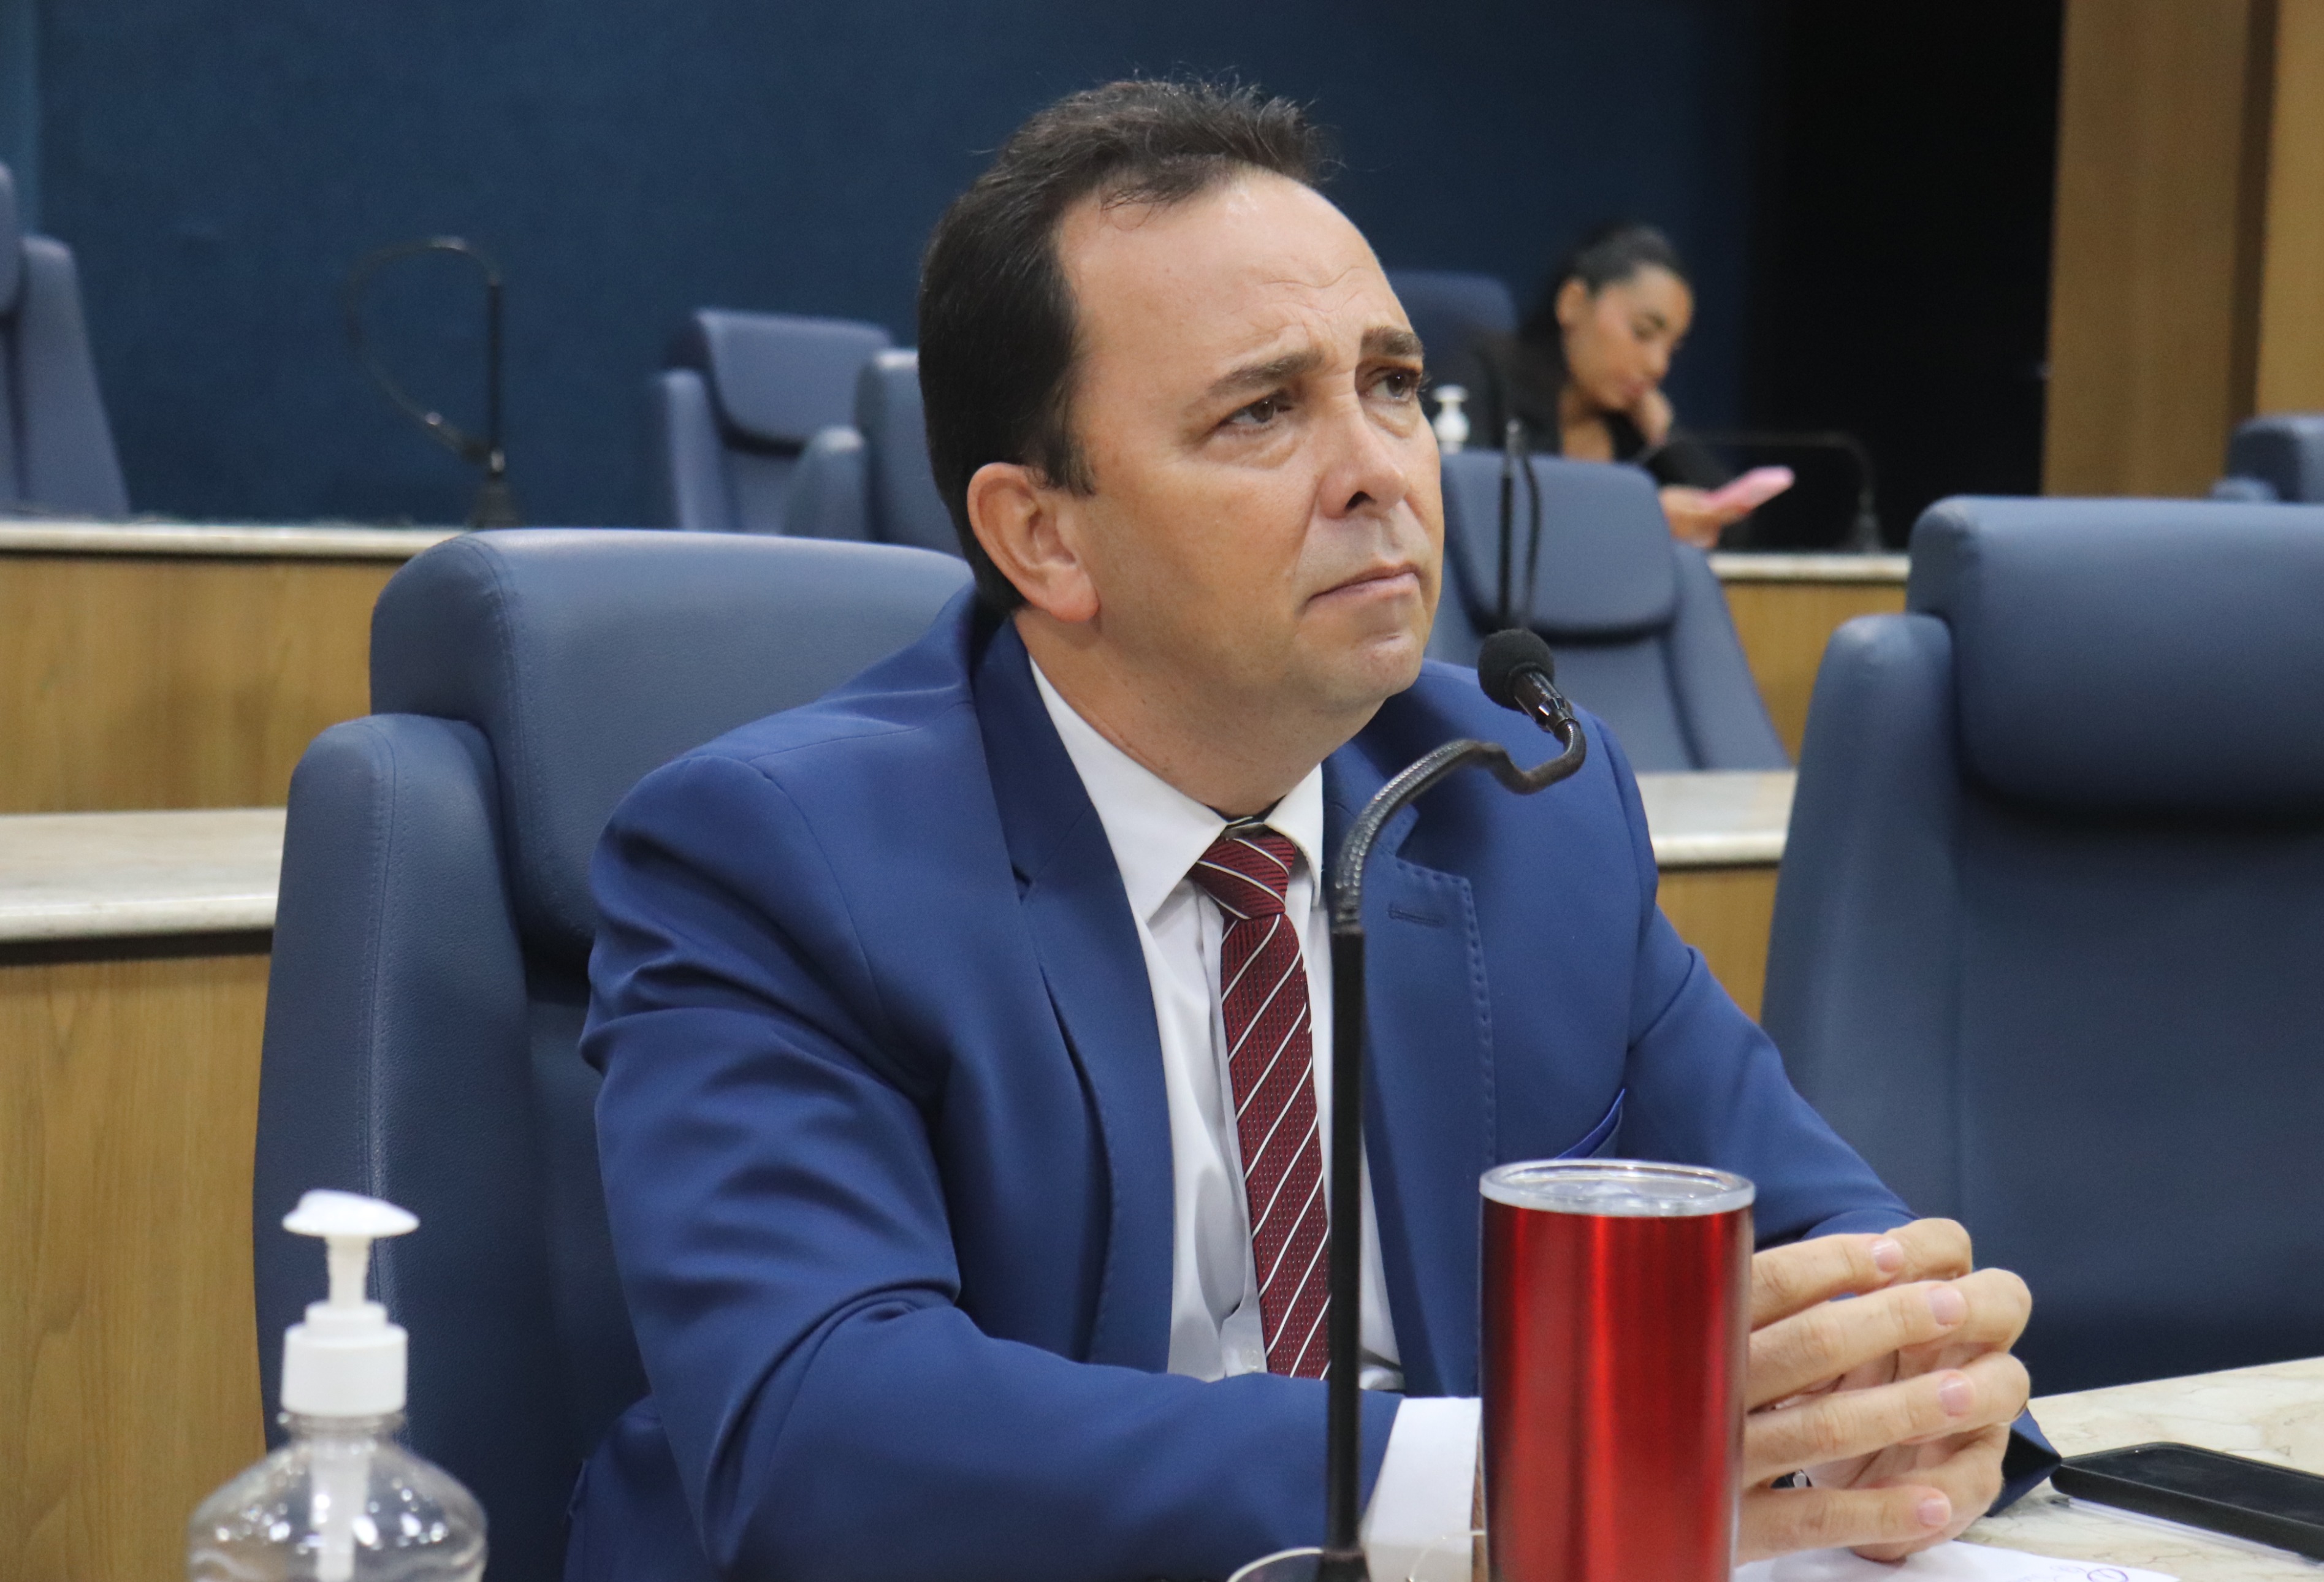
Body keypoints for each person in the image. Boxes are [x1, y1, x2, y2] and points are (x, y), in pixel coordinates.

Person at [566, 81, 2038, 1582]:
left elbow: (1807, 1231)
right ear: (1043, 536)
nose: (1380, 470)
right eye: (1262, 411)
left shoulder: (1516, 801)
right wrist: (1498, 1480)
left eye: (1392, 385)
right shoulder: (779, 856)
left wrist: (1906, 1389)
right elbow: (820, 1430)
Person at [1469, 223, 1751, 549]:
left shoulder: (1631, 424)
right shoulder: (1485, 376)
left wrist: (1667, 437)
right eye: (1642, 332)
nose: (1658, 365)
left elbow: (1731, 529)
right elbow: (1476, 513)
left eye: (1672, 349)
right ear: (1573, 303)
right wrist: (1638, 517)